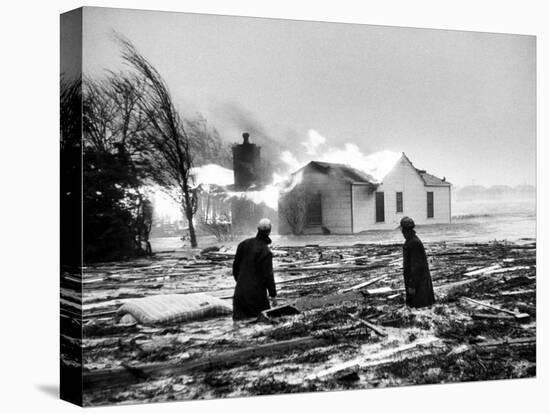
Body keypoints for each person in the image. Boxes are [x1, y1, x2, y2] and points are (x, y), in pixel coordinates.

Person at [231, 218, 277, 319]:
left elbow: (235, 268)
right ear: (269, 231)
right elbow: (268, 276)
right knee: (258, 328)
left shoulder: (243, 244)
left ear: (257, 229)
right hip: (256, 298)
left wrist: (241, 284)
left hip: (239, 296)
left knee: (238, 328)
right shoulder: (266, 251)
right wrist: (273, 295)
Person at [400, 216, 435, 308]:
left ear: (406, 230)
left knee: (419, 306)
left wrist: (412, 285)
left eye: (403, 229)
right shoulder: (411, 241)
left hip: (418, 284)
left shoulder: (413, 243)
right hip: (416, 282)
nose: (402, 232)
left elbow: (417, 266)